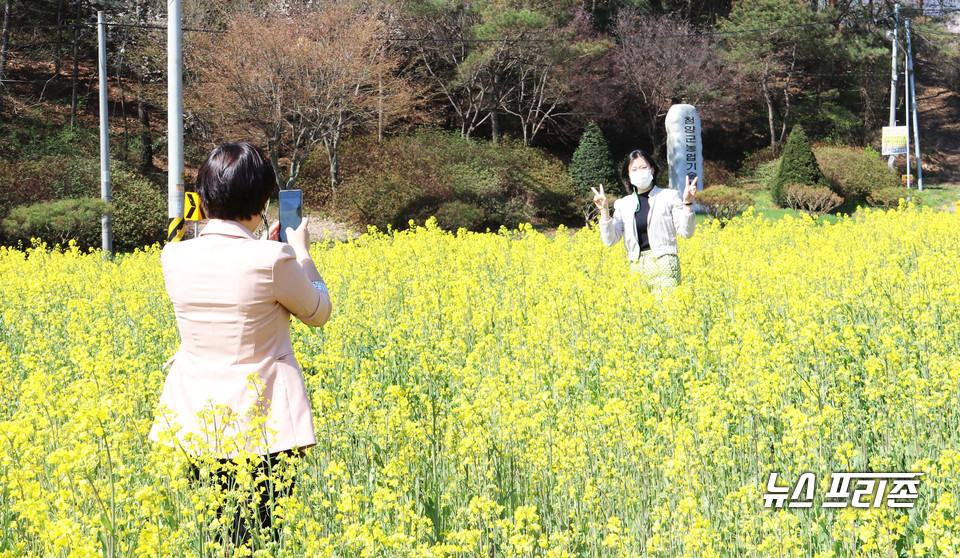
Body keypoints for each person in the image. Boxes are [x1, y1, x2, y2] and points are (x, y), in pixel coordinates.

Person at [148, 142, 332, 546]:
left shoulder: (172, 256)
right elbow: (318, 311)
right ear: (261, 199)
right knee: (260, 537)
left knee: (219, 533)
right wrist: (301, 255)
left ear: (207, 195)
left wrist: (264, 246)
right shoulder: (274, 257)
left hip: (197, 419)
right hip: (262, 420)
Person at [592, 149, 697, 290]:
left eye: (643, 167)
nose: (639, 172)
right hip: (637, 267)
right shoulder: (623, 204)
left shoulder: (668, 196)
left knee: (667, 310)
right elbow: (610, 240)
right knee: (642, 311)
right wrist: (604, 211)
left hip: (665, 264)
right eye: (633, 169)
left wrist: (687, 203)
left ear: (652, 170)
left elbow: (686, 232)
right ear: (628, 176)